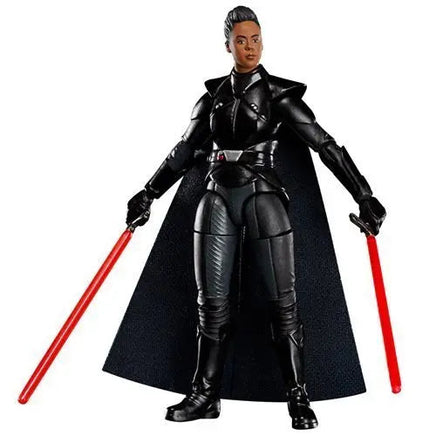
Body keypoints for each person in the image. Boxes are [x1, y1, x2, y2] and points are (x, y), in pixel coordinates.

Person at [124, 6, 385, 430]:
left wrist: (364, 194)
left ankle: (298, 396)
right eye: (241, 41)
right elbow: (184, 151)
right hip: (216, 197)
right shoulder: (211, 99)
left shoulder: (279, 96)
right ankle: (205, 395)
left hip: (263, 196)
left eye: (255, 39)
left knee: (283, 302)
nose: (250, 47)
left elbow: (326, 145)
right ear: (227, 45)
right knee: (211, 303)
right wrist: (148, 192)